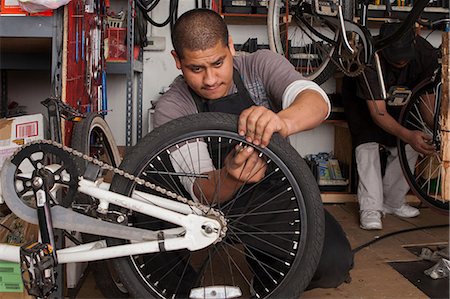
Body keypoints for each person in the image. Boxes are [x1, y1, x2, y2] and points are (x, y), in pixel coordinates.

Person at [153, 8, 353, 294]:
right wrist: (231, 176)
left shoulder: (259, 65)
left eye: (218, 63)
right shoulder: (173, 107)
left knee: (333, 262)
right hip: (212, 208)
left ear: (231, 46)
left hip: (273, 194)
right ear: (177, 61)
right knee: (148, 200)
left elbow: (317, 102)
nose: (210, 79)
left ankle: (268, 274)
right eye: (196, 69)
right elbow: (199, 190)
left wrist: (281, 121)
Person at [341, 22, 438, 230]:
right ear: (384, 49)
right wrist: (407, 134)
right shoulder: (367, 57)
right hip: (365, 104)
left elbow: (427, 103)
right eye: (396, 57)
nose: (401, 60)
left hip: (404, 101)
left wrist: (438, 131)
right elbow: (379, 113)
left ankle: (393, 202)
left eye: (405, 56)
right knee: (367, 146)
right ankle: (371, 208)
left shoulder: (426, 53)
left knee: (414, 143)